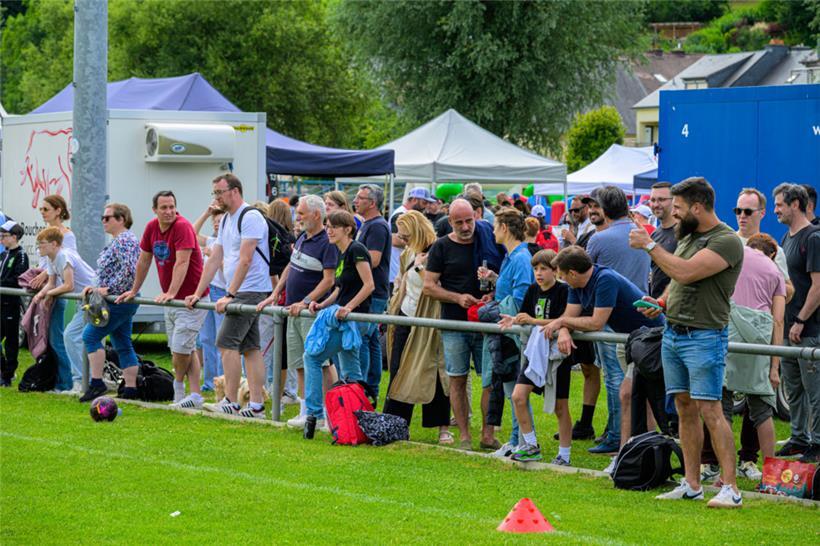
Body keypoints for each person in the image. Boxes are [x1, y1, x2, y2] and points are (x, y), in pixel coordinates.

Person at [629, 176, 745, 508]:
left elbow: (686, 272)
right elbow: (676, 283)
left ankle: (731, 488)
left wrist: (651, 245)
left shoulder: (727, 241)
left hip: (705, 336)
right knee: (684, 408)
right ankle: (692, 484)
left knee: (711, 409)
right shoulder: (690, 235)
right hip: (675, 333)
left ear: (697, 207)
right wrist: (662, 303)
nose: (673, 214)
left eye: (678, 208)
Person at [544, 246, 663, 472]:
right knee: (631, 396)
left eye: (562, 276)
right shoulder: (576, 285)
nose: (562, 281)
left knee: (634, 396)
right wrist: (565, 327)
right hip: (629, 340)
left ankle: (632, 454)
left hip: (650, 339)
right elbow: (569, 317)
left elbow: (596, 322)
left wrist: (562, 324)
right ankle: (630, 454)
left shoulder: (605, 279)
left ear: (572, 273)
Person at [700, 233, 785, 483]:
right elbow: (778, 320)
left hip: (728, 330)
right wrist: (774, 367)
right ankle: (771, 477)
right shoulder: (775, 270)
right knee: (762, 408)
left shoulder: (735, 254)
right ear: (772, 253)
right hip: (759, 335)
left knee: (721, 406)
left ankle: (724, 476)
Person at [185, 174, 272, 418]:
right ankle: (256, 406)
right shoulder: (225, 221)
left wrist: (230, 294)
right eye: (214, 193)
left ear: (234, 191)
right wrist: (197, 291)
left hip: (250, 290)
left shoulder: (250, 216)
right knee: (250, 348)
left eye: (219, 192)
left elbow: (246, 258)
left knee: (225, 343)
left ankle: (231, 401)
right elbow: (215, 259)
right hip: (238, 291)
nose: (216, 198)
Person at [116, 190, 207, 407]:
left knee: (179, 349)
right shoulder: (151, 227)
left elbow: (182, 262)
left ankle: (178, 392)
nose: (169, 211)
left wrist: (172, 292)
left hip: (190, 298)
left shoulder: (183, 226)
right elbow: (144, 260)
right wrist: (133, 289)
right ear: (155, 209)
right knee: (186, 347)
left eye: (172, 206)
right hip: (172, 299)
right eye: (164, 207)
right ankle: (195, 396)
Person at [256, 195, 338, 428]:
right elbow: (291, 267)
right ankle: (306, 410)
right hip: (293, 310)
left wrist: (305, 301)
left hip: (312, 313)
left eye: (301, 213)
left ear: (316, 215)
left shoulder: (326, 242)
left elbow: (329, 280)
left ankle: (328, 412)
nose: (297, 217)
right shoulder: (302, 237)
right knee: (300, 363)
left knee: (320, 364)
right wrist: (275, 294)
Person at [424, 199, 488, 450]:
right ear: (450, 222)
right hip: (453, 323)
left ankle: (487, 433)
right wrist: (457, 298)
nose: (465, 226)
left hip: (485, 323)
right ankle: (464, 436)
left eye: (469, 220)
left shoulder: (486, 240)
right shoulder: (441, 246)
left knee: (490, 381)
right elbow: (429, 286)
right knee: (457, 379)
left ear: (476, 217)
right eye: (459, 222)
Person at [302, 210, 374, 434]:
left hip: (352, 320)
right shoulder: (342, 251)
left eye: (333, 226)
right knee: (351, 371)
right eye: (327, 226)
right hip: (343, 318)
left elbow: (369, 285)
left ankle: (313, 415)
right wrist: (321, 304)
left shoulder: (357, 249)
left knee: (312, 357)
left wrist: (349, 307)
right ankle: (357, 422)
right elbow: (339, 288)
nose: (328, 230)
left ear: (348, 229)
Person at [383, 210, 451, 443]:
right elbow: (401, 282)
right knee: (398, 371)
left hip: (428, 319)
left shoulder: (437, 250)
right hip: (405, 316)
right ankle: (396, 423)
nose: (402, 240)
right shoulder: (407, 253)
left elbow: (435, 286)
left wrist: (421, 269)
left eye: (406, 236)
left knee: (432, 371)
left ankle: (443, 426)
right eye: (401, 236)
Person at [501, 250, 575, 464]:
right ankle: (531, 446)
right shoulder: (532, 290)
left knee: (560, 406)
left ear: (555, 271)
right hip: (534, 351)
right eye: (536, 269)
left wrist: (532, 321)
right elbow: (527, 317)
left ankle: (565, 455)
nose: (539, 273)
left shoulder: (564, 291)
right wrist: (515, 319)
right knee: (518, 396)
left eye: (544, 268)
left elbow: (562, 321)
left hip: (557, 353)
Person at [477, 208, 535, 455]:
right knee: (510, 387)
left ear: (504, 228)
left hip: (513, 330)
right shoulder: (512, 256)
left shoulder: (520, 257)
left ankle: (521, 441)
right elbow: (511, 290)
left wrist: (499, 307)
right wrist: (494, 278)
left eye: (495, 225)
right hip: (507, 328)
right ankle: (515, 440)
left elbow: (522, 297)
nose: (492, 230)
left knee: (516, 389)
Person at [772, 183, 820, 463]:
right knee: (794, 390)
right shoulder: (787, 237)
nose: (776, 210)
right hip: (789, 328)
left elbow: (817, 286)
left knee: (815, 391)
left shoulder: (813, 237)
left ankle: (817, 442)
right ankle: (799, 438)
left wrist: (801, 319)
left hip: (809, 331)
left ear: (796, 205)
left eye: (779, 205)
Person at [78, 204, 141, 402]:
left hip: (118, 300)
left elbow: (130, 270)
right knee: (122, 342)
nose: (103, 221)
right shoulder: (120, 240)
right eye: (102, 217)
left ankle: (97, 383)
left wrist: (108, 290)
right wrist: (95, 287)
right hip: (121, 300)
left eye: (107, 218)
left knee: (89, 336)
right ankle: (131, 389)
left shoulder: (125, 240)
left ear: (121, 219)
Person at [31, 227, 96, 392]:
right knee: (83, 338)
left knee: (70, 335)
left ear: (54, 244)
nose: (39, 247)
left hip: (93, 298)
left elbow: (69, 285)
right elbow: (52, 284)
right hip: (83, 301)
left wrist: (49, 294)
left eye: (42, 244)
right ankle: (86, 379)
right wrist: (40, 295)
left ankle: (81, 381)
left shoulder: (63, 256)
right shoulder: (52, 259)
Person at [353, 184, 392, 399]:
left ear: (372, 203)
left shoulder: (377, 226)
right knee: (371, 338)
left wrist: (351, 256)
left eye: (360, 198)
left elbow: (374, 259)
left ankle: (365, 388)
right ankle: (371, 388)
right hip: (373, 291)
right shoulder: (369, 224)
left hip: (373, 292)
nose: (356, 201)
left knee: (365, 338)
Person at [734, 188, 793, 300]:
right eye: (738, 211)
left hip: (759, 314)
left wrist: (764, 281)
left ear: (762, 213)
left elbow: (789, 292)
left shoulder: (773, 249)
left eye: (748, 211)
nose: (742, 215)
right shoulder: (727, 241)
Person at [192, 203, 226, 392]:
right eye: (214, 221)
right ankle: (210, 381)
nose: (216, 224)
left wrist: (214, 257)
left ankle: (223, 380)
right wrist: (206, 213)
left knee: (221, 339)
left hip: (221, 291)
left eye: (220, 221)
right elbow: (193, 233)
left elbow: (228, 270)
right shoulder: (211, 241)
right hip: (207, 290)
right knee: (206, 338)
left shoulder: (228, 243)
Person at [0, 221, 29, 386]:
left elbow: (19, 279)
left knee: (11, 341)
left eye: (4, 236)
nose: (1, 239)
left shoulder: (21, 255)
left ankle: (8, 375)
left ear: (15, 237)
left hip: (10, 304)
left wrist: (3, 283)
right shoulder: (3, 255)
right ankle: (3, 370)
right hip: (0, 301)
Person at [28, 195, 77, 290]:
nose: (42, 212)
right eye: (41, 209)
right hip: (40, 285)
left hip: (56, 287)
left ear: (58, 211)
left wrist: (45, 273)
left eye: (46, 209)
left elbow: (69, 262)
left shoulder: (67, 235)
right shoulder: (45, 233)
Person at [390, 188, 433, 287]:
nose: (426, 206)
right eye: (424, 202)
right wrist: (418, 242)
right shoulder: (401, 215)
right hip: (398, 269)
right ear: (414, 199)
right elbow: (394, 240)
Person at [648, 182, 678, 299]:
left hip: (675, 305)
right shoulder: (655, 234)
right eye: (653, 200)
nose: (656, 204)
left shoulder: (683, 233)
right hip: (656, 305)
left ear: (674, 201)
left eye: (661, 199)